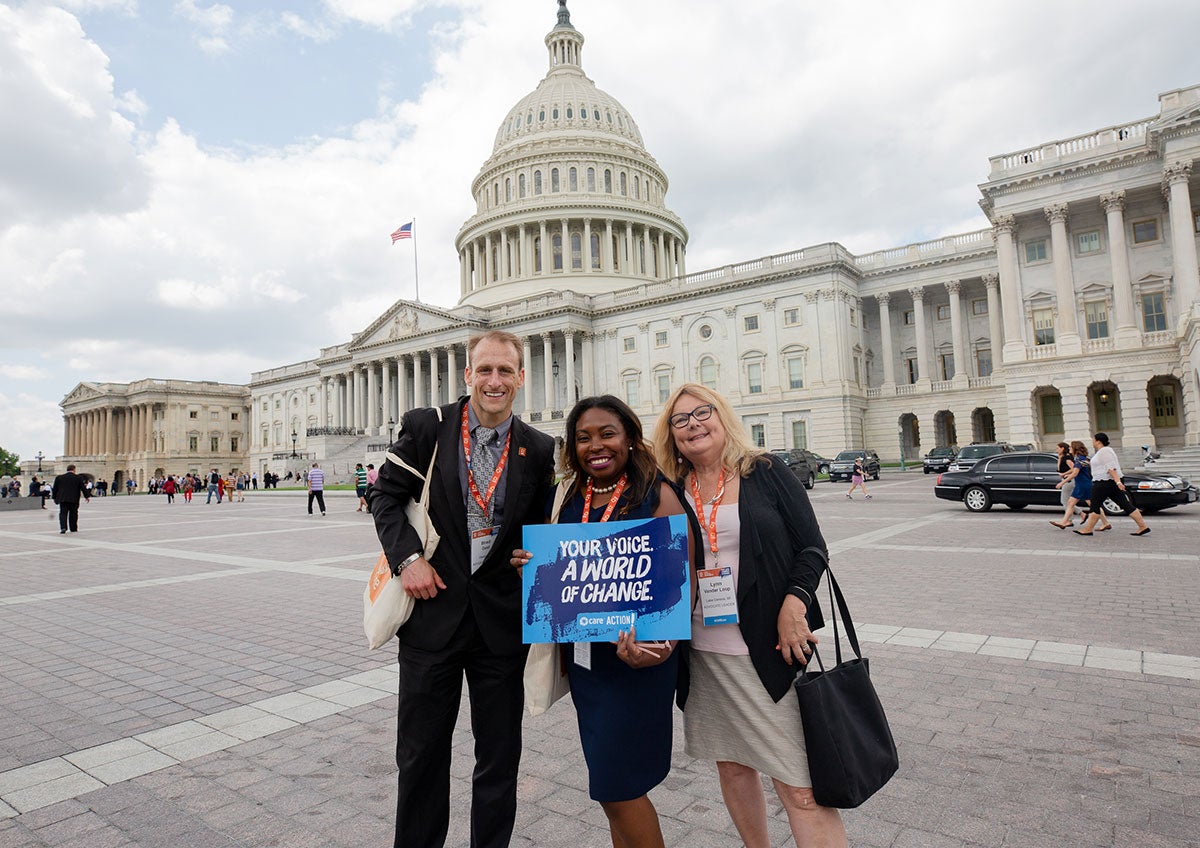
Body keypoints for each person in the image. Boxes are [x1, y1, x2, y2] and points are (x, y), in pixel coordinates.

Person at [370, 330, 556, 848]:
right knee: (421, 755)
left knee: (498, 760)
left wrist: (532, 557)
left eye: (505, 372)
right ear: (468, 375)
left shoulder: (539, 448)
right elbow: (385, 496)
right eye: (485, 370)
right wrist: (408, 558)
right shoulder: (429, 428)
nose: (494, 381)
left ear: (521, 377)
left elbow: (539, 527)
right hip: (433, 617)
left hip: (500, 625)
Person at [654, 383, 846, 848]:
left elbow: (813, 546)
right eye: (680, 420)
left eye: (702, 413)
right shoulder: (668, 489)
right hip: (702, 656)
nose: (693, 425)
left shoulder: (765, 470)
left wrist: (794, 602)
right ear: (670, 435)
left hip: (767, 650)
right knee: (734, 767)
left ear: (723, 417)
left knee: (800, 788)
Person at [511, 396, 691, 848]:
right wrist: (531, 568)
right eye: (584, 437)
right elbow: (557, 571)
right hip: (590, 665)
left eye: (607, 433)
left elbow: (677, 579)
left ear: (629, 437)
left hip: (639, 663)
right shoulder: (567, 495)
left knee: (619, 788)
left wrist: (661, 648)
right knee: (611, 790)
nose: (597, 445)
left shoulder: (656, 490)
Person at [1075, 432, 1151, 537]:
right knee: (1125, 504)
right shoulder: (1102, 452)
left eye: (1093, 439)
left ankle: (1088, 529)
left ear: (1098, 441)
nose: (1092, 441)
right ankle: (1143, 526)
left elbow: (1111, 467)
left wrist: (1118, 482)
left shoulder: (1105, 451)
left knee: (1095, 505)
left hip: (1104, 482)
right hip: (1107, 482)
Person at [1051, 441, 1110, 531]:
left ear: (1075, 448)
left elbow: (1075, 473)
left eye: (1071, 447)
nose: (1069, 449)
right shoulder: (1084, 458)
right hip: (1084, 484)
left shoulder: (1078, 459)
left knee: (1075, 503)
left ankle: (1064, 522)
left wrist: (1062, 482)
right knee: (1080, 504)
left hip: (1082, 485)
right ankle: (1106, 523)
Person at [51, 464, 91, 534]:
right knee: (73, 513)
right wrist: (87, 496)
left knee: (63, 513)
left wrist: (54, 497)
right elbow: (83, 488)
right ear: (74, 469)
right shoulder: (78, 478)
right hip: (74, 499)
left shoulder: (59, 477)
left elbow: (55, 489)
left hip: (63, 499)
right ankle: (73, 528)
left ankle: (63, 527)